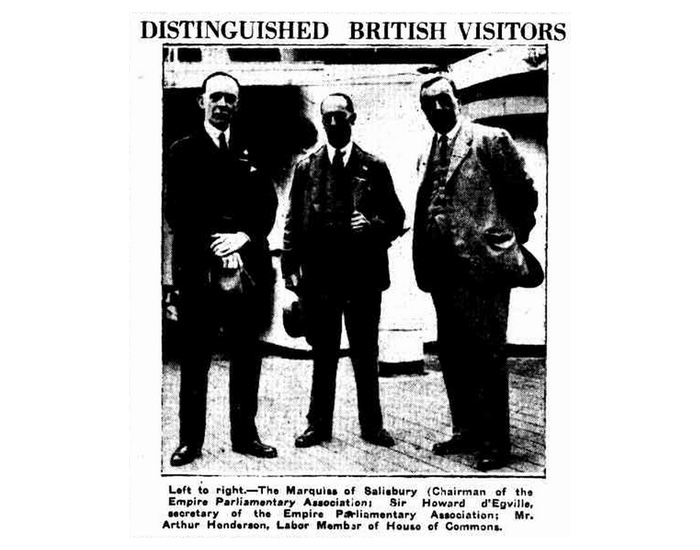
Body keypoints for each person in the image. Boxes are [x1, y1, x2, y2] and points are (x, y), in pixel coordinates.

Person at [413, 76, 539, 471]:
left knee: (487, 356)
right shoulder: (430, 149)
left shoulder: (489, 139)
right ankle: (465, 431)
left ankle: (496, 444)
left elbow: (524, 195)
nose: (436, 110)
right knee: (452, 356)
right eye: (428, 105)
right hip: (443, 274)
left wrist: (503, 239)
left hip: (483, 272)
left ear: (458, 100)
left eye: (442, 101)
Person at [164, 71, 278, 466]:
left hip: (246, 270)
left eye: (231, 98)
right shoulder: (182, 151)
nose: (223, 104)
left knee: (247, 354)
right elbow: (178, 210)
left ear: (237, 105)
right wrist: (218, 244)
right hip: (199, 271)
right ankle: (189, 442)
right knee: (195, 357)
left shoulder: (251, 150)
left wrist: (244, 237)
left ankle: (246, 436)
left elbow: (267, 205)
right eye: (216, 97)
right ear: (202, 101)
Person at [282, 93, 406, 448]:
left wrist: (372, 225)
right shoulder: (307, 168)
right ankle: (317, 426)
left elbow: (397, 218)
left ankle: (372, 426)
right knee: (323, 356)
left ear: (353, 117)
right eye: (327, 119)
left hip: (363, 279)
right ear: (322, 123)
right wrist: (290, 265)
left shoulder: (374, 166)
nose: (334, 124)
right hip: (320, 279)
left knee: (365, 355)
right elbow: (292, 222)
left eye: (340, 117)